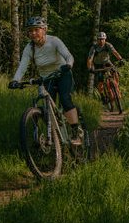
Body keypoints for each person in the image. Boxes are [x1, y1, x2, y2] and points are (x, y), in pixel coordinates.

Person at [8, 16, 82, 145]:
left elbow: (68, 56)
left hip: (63, 74)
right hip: (46, 79)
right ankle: (54, 136)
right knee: (48, 110)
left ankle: (76, 132)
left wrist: (68, 65)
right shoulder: (29, 48)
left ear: (44, 29)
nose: (33, 33)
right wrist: (15, 80)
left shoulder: (54, 41)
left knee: (65, 99)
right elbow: (22, 66)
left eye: (36, 30)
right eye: (30, 31)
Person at [87, 31, 123, 100]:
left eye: (102, 39)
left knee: (115, 72)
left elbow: (115, 52)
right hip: (98, 65)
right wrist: (90, 68)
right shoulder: (94, 48)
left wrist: (120, 59)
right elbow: (89, 59)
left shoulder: (108, 45)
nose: (101, 41)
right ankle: (102, 95)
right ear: (97, 40)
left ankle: (116, 87)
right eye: (99, 39)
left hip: (107, 62)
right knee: (100, 82)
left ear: (105, 39)